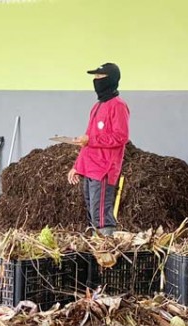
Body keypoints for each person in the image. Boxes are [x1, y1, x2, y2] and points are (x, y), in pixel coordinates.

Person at [67, 63, 130, 236]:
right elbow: (88, 140)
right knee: (92, 212)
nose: (96, 80)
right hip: (90, 168)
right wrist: (77, 167)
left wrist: (91, 140)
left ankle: (106, 247)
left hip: (104, 169)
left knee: (101, 215)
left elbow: (121, 137)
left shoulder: (118, 105)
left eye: (100, 77)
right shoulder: (97, 106)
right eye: (95, 77)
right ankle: (96, 246)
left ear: (111, 80)